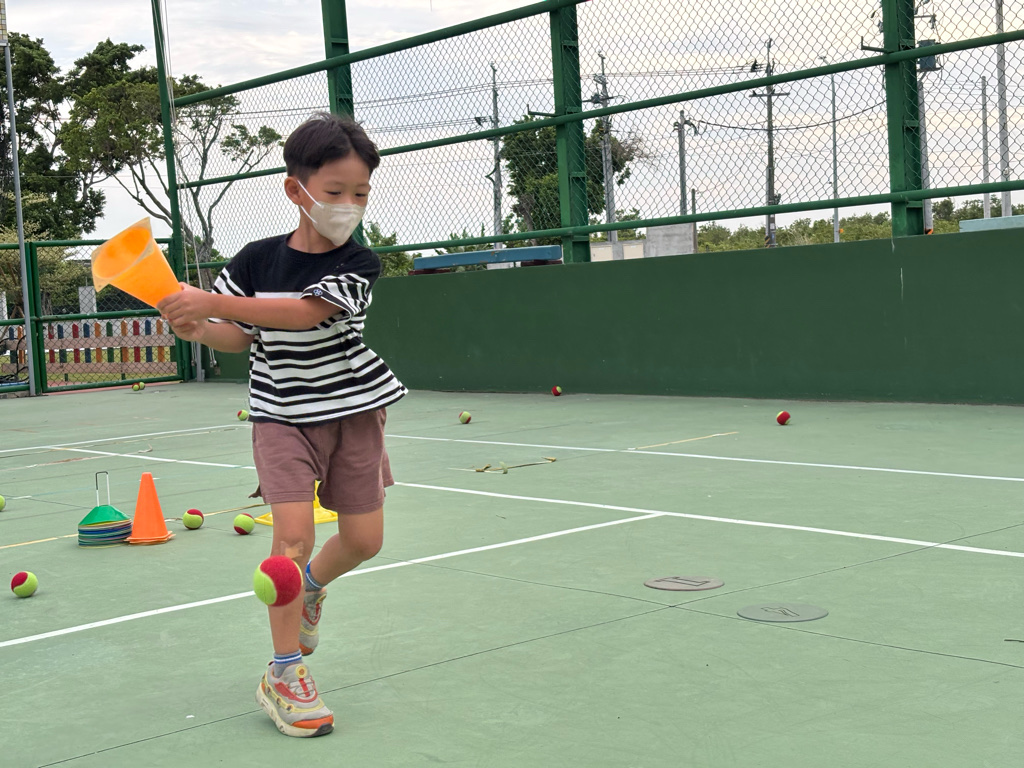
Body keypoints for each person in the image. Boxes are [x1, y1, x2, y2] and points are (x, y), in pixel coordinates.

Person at [158, 112, 406, 737]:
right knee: (291, 540)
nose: (350, 205)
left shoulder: (359, 263)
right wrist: (198, 326)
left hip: (353, 414)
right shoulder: (255, 261)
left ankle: (314, 587)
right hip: (282, 418)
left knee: (364, 541)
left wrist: (211, 302)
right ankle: (284, 671)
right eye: (336, 191)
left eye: (361, 193)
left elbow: (303, 313)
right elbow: (239, 336)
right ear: (296, 190)